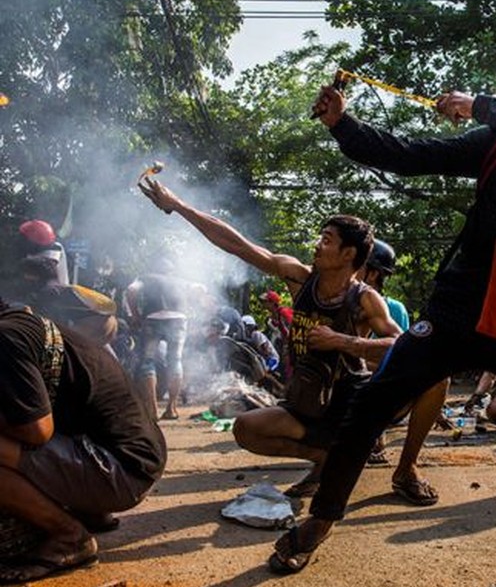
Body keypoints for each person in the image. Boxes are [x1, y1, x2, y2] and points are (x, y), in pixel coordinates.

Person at [274, 49, 496, 575]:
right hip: (460, 306)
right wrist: (343, 125)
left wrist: (481, 105)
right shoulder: (495, 142)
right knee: (370, 405)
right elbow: (410, 153)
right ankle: (318, 522)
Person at [136, 185, 417, 501]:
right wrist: (178, 204)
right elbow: (239, 246)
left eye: (326, 240)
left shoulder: (366, 299)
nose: (316, 245)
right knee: (246, 428)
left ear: (348, 254)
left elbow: (400, 343)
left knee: (427, 380)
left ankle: (378, 460)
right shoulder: (299, 278)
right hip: (306, 403)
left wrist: (342, 341)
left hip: (348, 409)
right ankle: (323, 457)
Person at [0, 303, 166, 583]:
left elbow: (37, 431)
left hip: (122, 471)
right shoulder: (22, 323)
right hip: (136, 459)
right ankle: (90, 511)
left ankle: (69, 537)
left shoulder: (6, 337)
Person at [362, 239, 449, 505]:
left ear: (373, 273)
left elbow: (402, 359)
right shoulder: (327, 298)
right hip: (335, 395)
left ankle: (406, 467)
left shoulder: (391, 310)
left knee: (435, 376)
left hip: (375, 392)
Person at [124, 260, 191, 420]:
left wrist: (135, 314)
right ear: (171, 270)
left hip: (153, 319)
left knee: (148, 361)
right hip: (178, 319)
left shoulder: (146, 277)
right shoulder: (179, 280)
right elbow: (200, 289)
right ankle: (171, 408)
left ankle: (152, 410)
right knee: (175, 360)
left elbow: (131, 290)